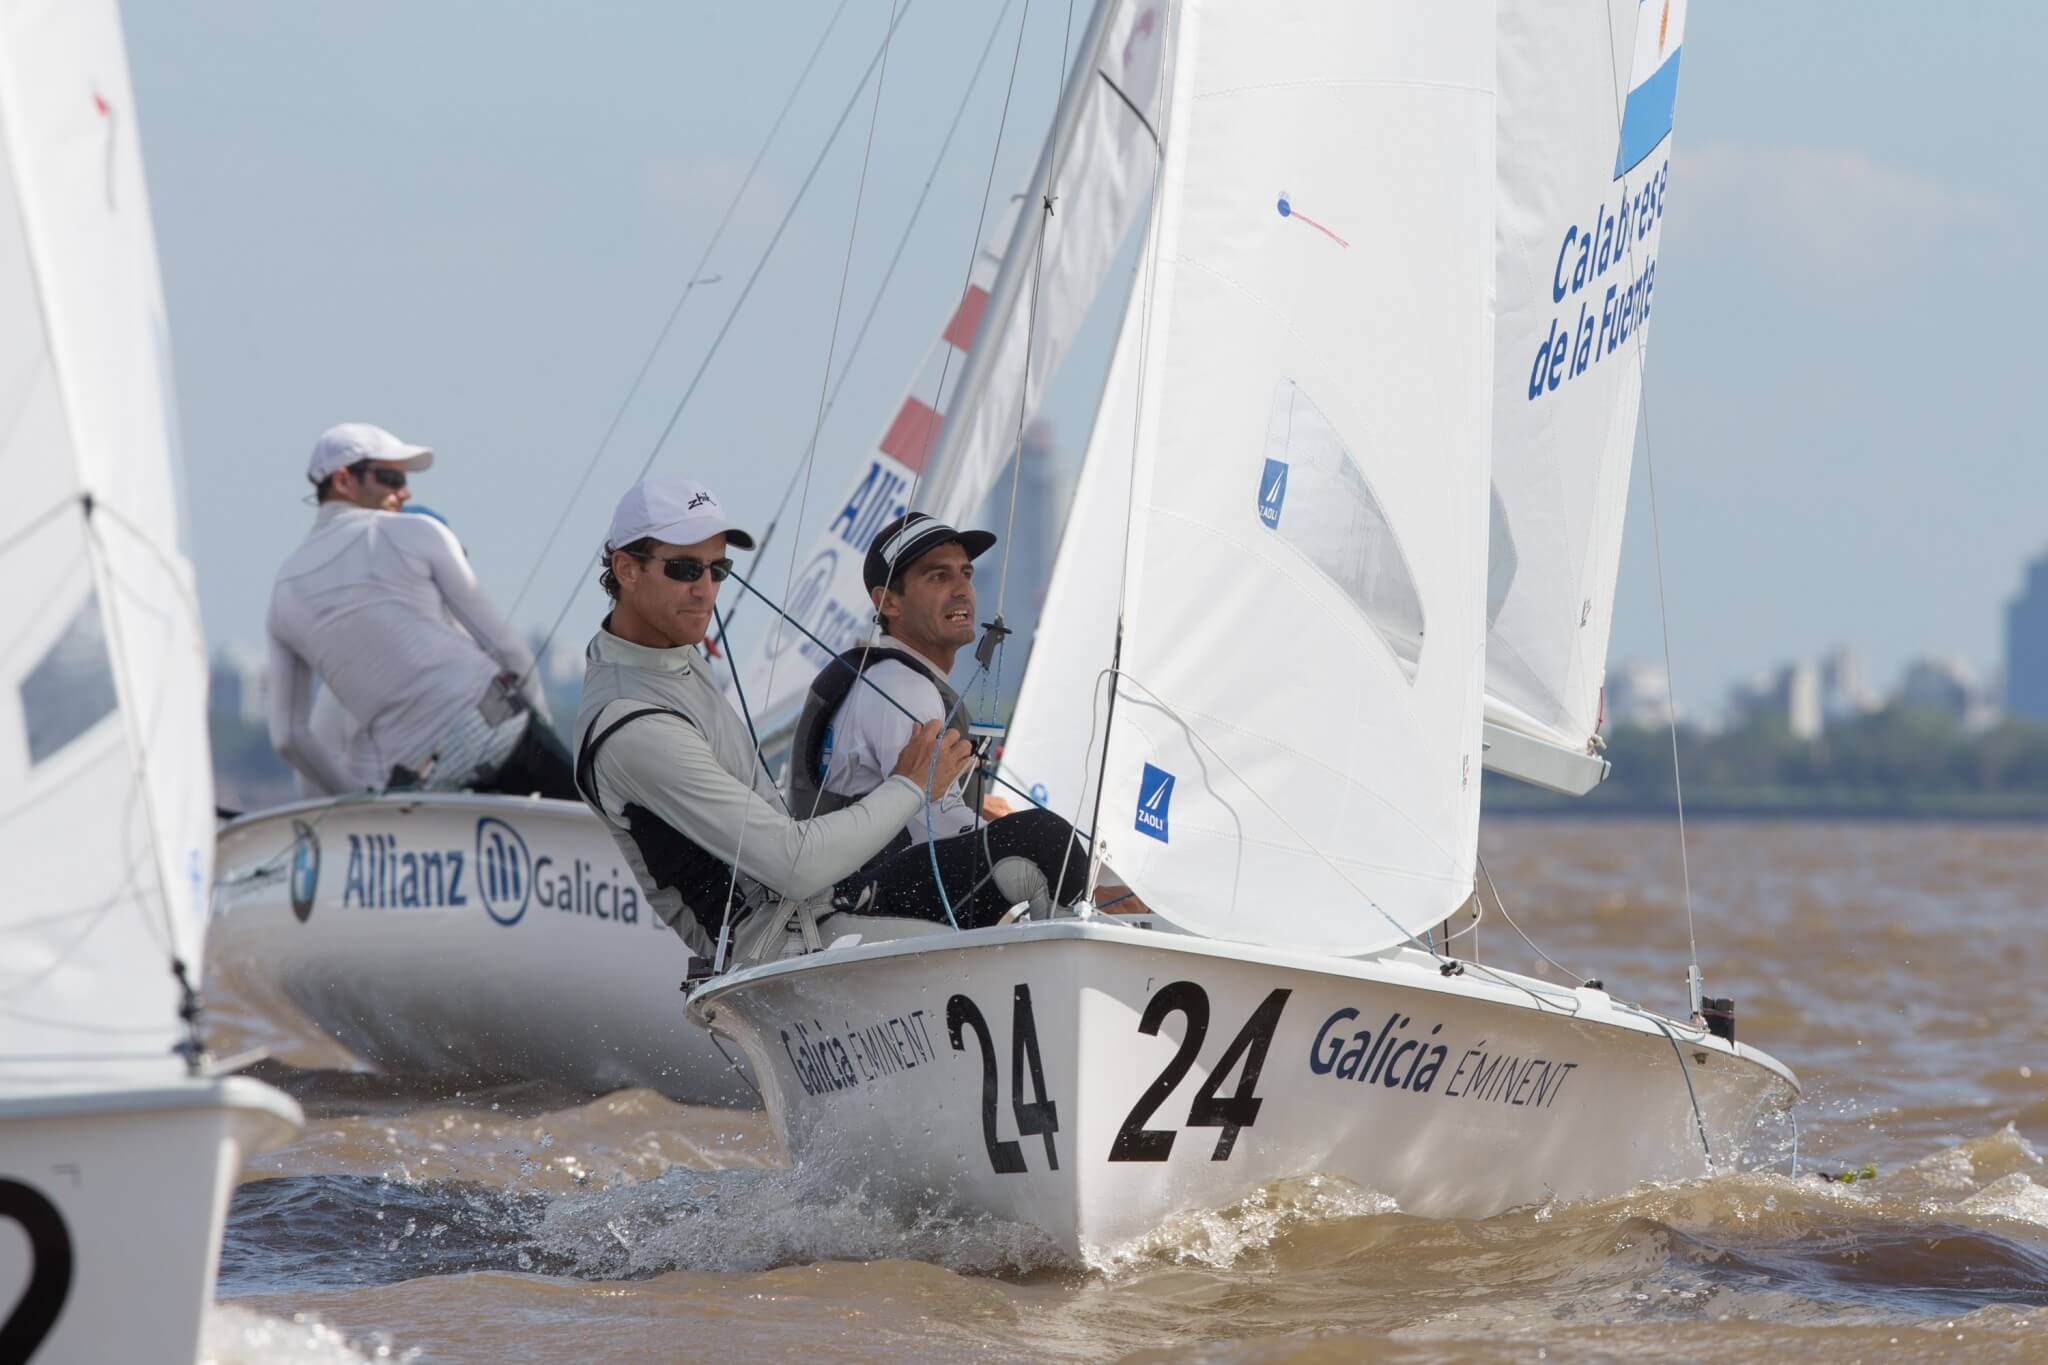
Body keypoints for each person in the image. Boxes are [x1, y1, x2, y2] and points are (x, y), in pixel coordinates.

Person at [573, 478, 1089, 959]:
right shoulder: (634, 725)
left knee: (1041, 848)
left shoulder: (666, 656)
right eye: (685, 570)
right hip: (782, 946)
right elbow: (793, 866)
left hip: (824, 907)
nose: (706, 590)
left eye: (718, 570)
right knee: (1042, 846)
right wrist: (910, 785)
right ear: (626, 569)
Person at [266, 422, 577, 799]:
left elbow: (288, 737)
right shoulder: (418, 531)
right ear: (344, 480)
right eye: (389, 477)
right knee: (598, 835)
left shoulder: (283, 592)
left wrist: (352, 796)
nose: (404, 490)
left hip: (414, 776)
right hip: (498, 731)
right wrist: (538, 731)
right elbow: (506, 647)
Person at [789, 512, 1012, 840]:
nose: (962, 590)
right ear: (888, 602)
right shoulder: (904, 689)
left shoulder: (882, 677)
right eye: (938, 577)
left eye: (966, 574)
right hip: (870, 888)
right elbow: (938, 829)